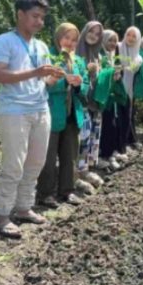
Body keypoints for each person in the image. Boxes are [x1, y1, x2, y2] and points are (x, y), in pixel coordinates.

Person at [0, 0, 64, 239]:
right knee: (14, 164)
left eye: (42, 17)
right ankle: (2, 215)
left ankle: (23, 208)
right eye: (35, 16)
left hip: (40, 109)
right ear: (20, 14)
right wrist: (36, 72)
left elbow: (44, 81)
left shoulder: (40, 46)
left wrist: (57, 77)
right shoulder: (3, 42)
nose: (39, 22)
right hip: (14, 110)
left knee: (36, 163)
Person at [37, 23, 90, 208]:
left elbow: (85, 86)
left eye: (74, 40)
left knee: (69, 156)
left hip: (72, 115)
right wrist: (63, 82)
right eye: (66, 38)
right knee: (49, 157)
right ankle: (45, 194)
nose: (70, 43)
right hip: (52, 113)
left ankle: (67, 191)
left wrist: (79, 83)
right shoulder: (48, 56)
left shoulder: (78, 61)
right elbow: (42, 86)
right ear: (58, 37)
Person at [75, 21, 107, 186]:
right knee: (82, 138)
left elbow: (99, 80)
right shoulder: (75, 53)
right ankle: (78, 173)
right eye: (91, 32)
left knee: (93, 137)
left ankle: (86, 169)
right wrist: (87, 71)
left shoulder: (98, 56)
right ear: (84, 31)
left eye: (97, 34)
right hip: (81, 104)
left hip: (95, 103)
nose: (93, 36)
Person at [97, 30, 127, 169]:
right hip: (103, 99)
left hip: (111, 98)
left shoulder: (113, 56)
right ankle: (104, 155)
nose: (113, 43)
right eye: (109, 40)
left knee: (112, 125)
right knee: (105, 127)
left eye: (115, 41)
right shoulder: (100, 56)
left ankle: (110, 153)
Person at [118, 27, 143, 151]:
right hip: (114, 89)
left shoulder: (138, 58)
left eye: (134, 36)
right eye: (129, 34)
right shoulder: (117, 47)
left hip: (128, 90)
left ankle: (126, 142)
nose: (131, 38)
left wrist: (124, 67)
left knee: (127, 116)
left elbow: (131, 68)